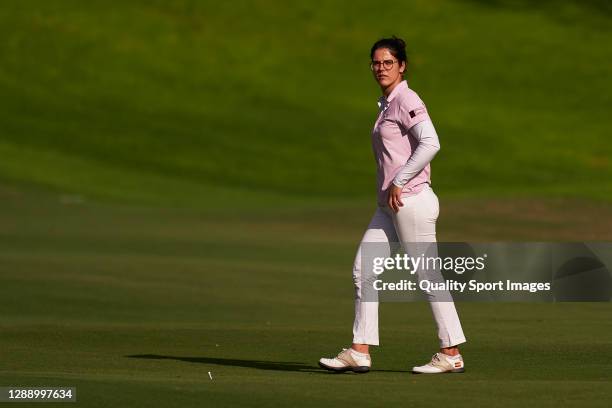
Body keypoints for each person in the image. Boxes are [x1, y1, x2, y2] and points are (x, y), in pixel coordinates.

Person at [318, 37, 467, 374]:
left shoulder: (406, 99)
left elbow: (431, 142)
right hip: (389, 205)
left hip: (411, 200)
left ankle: (451, 352)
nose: (380, 68)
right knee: (363, 270)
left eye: (388, 63)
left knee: (427, 275)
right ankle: (360, 350)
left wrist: (400, 179)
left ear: (402, 66)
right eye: (376, 63)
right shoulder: (386, 103)